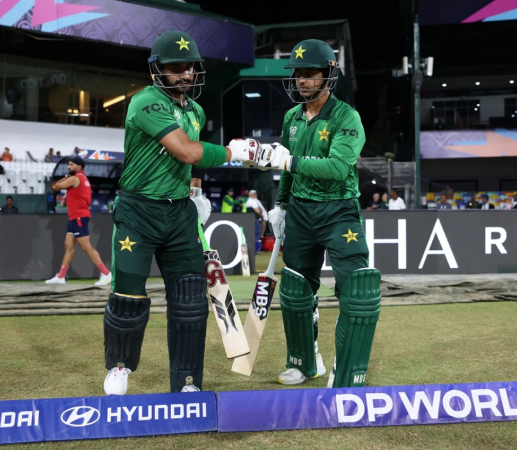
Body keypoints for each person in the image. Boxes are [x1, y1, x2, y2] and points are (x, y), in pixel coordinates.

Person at [100, 31, 256, 396]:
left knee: (189, 300)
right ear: (156, 70)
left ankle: (187, 382)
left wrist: (195, 191)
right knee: (128, 295)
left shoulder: (195, 111)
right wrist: (234, 152)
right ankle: (120, 368)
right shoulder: (145, 102)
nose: (185, 74)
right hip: (139, 211)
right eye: (176, 68)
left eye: (190, 67)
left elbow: (192, 161)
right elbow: (186, 151)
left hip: (179, 214)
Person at [257, 39, 379, 389]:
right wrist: (281, 204)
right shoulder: (292, 117)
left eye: (310, 73)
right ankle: (304, 362)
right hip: (300, 212)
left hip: (339, 211)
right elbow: (287, 168)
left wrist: (289, 162)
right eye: (298, 74)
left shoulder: (347, 117)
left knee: (357, 289)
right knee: (296, 289)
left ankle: (348, 371)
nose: (302, 80)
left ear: (328, 75)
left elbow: (337, 168)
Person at [46, 157, 112, 286]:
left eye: (71, 165)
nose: (69, 167)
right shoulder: (83, 178)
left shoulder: (75, 178)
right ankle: (61, 276)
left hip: (78, 217)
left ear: (79, 166)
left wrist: (66, 176)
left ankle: (106, 273)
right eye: (68, 165)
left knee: (85, 246)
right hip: (75, 217)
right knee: (68, 245)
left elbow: (56, 186)